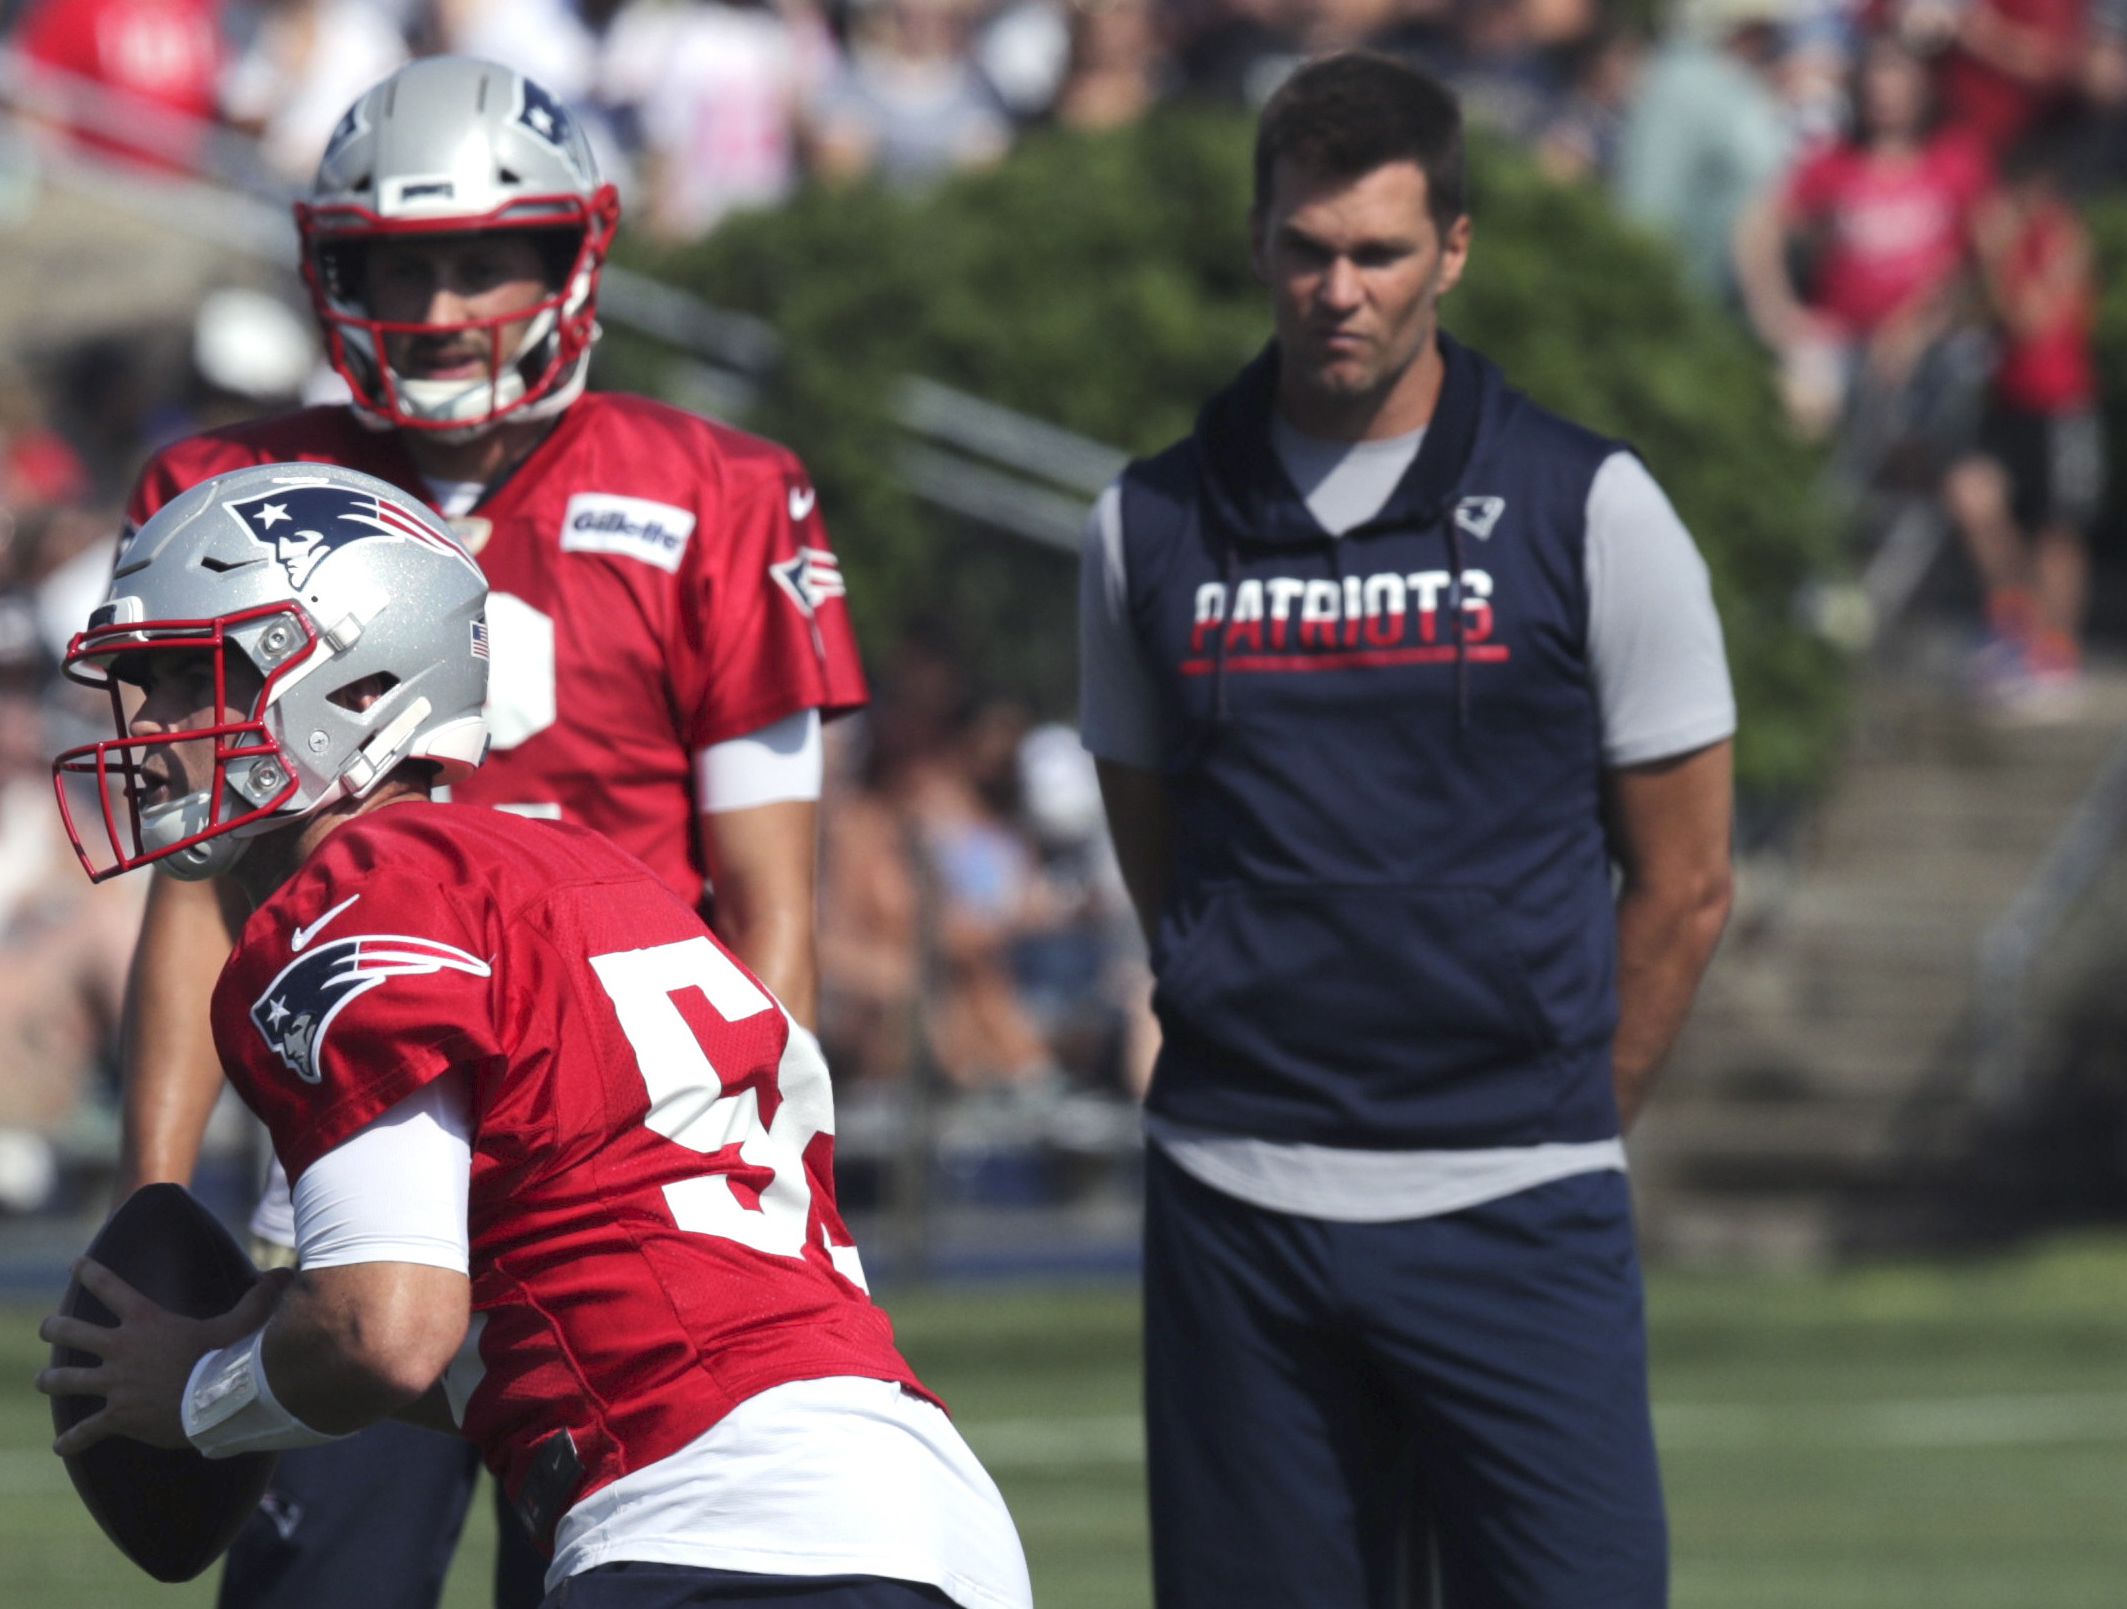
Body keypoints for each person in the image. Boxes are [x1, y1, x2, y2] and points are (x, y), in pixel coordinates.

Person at [110, 56, 867, 1609]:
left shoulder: (718, 491)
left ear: (572, 256)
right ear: (333, 272)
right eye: (401, 264)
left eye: (482, 258)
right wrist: (153, 1207)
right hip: (347, 1157)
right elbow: (195, 887)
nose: (444, 303)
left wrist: (750, 1186)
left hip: (602, 1191)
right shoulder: (230, 489)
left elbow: (768, 912)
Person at [34, 462, 1034, 1609]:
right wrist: (280, 1318)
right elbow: (539, 1312)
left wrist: (200, 1390)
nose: (151, 729)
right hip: (922, 1515)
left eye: (187, 677)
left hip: (707, 1522)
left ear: (352, 685)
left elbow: (386, 1331)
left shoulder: (356, 890)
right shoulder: (582, 871)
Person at [1078, 52, 1735, 1608]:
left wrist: (1553, 1109)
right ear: (1257, 245)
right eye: (1305, 250)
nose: (1337, 290)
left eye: (1377, 252)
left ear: (1451, 248)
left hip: (1518, 1210)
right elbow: (1158, 853)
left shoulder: (1594, 507)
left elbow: (1687, 881)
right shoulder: (1143, 526)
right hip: (1236, 1213)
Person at [1943, 127, 2105, 712]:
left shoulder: (2061, 236)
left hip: (2060, 406)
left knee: (2057, 531)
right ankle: (2015, 621)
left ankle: (2057, 648)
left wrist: (2000, 254)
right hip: (2004, 406)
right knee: (1972, 498)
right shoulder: (1994, 244)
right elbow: (1971, 314)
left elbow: (2034, 319)